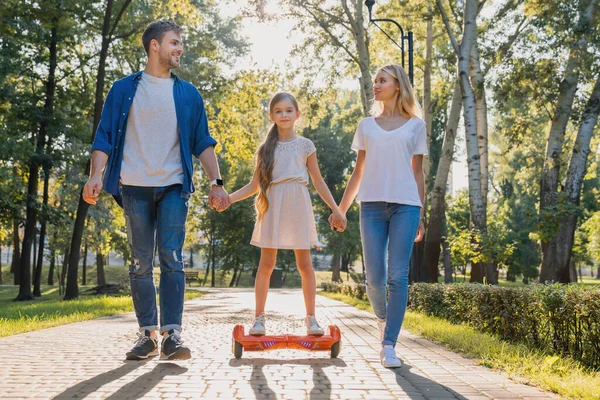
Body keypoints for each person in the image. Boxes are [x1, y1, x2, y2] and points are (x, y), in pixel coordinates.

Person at [83, 20, 229, 361]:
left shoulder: (188, 94)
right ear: (154, 46)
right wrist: (95, 176)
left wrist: (216, 183)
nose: (180, 48)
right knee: (139, 263)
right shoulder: (123, 89)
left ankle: (172, 334)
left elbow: (202, 142)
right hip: (133, 187)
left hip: (175, 187)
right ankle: (146, 335)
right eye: (174, 42)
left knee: (173, 258)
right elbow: (104, 138)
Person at [217, 92, 346, 336]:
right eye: (278, 111)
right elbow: (254, 186)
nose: (284, 114)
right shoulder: (265, 149)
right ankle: (259, 319)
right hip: (273, 205)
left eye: (289, 110)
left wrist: (336, 209)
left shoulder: (306, 145)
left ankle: (311, 319)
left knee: (305, 264)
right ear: (271, 116)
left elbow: (318, 181)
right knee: (266, 264)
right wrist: (229, 199)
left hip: (298, 204)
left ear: (297, 114)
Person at [331, 64, 427, 368]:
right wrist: (341, 208)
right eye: (375, 81)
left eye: (382, 80)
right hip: (371, 205)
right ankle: (382, 319)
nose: (376, 85)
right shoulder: (366, 125)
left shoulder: (415, 125)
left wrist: (421, 213)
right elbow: (358, 171)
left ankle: (389, 345)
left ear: (398, 85)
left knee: (398, 276)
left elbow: (418, 172)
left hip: (406, 206)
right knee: (374, 278)